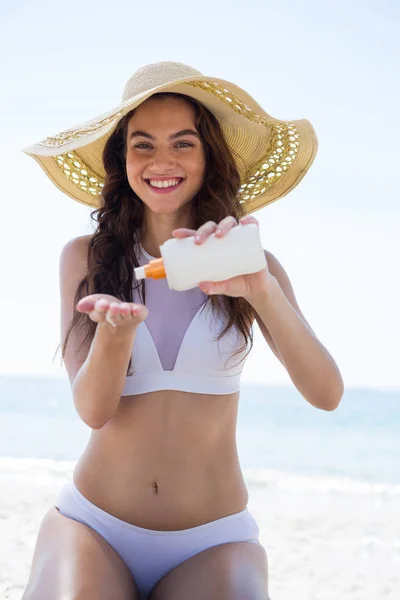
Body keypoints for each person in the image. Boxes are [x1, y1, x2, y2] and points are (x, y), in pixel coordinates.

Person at [21, 61, 343, 600]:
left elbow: (326, 393)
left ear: (208, 157)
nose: (162, 161)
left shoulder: (254, 264)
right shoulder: (87, 260)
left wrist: (260, 290)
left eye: (183, 143)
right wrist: (116, 335)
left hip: (212, 540)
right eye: (143, 145)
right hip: (95, 526)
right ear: (122, 162)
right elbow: (94, 411)